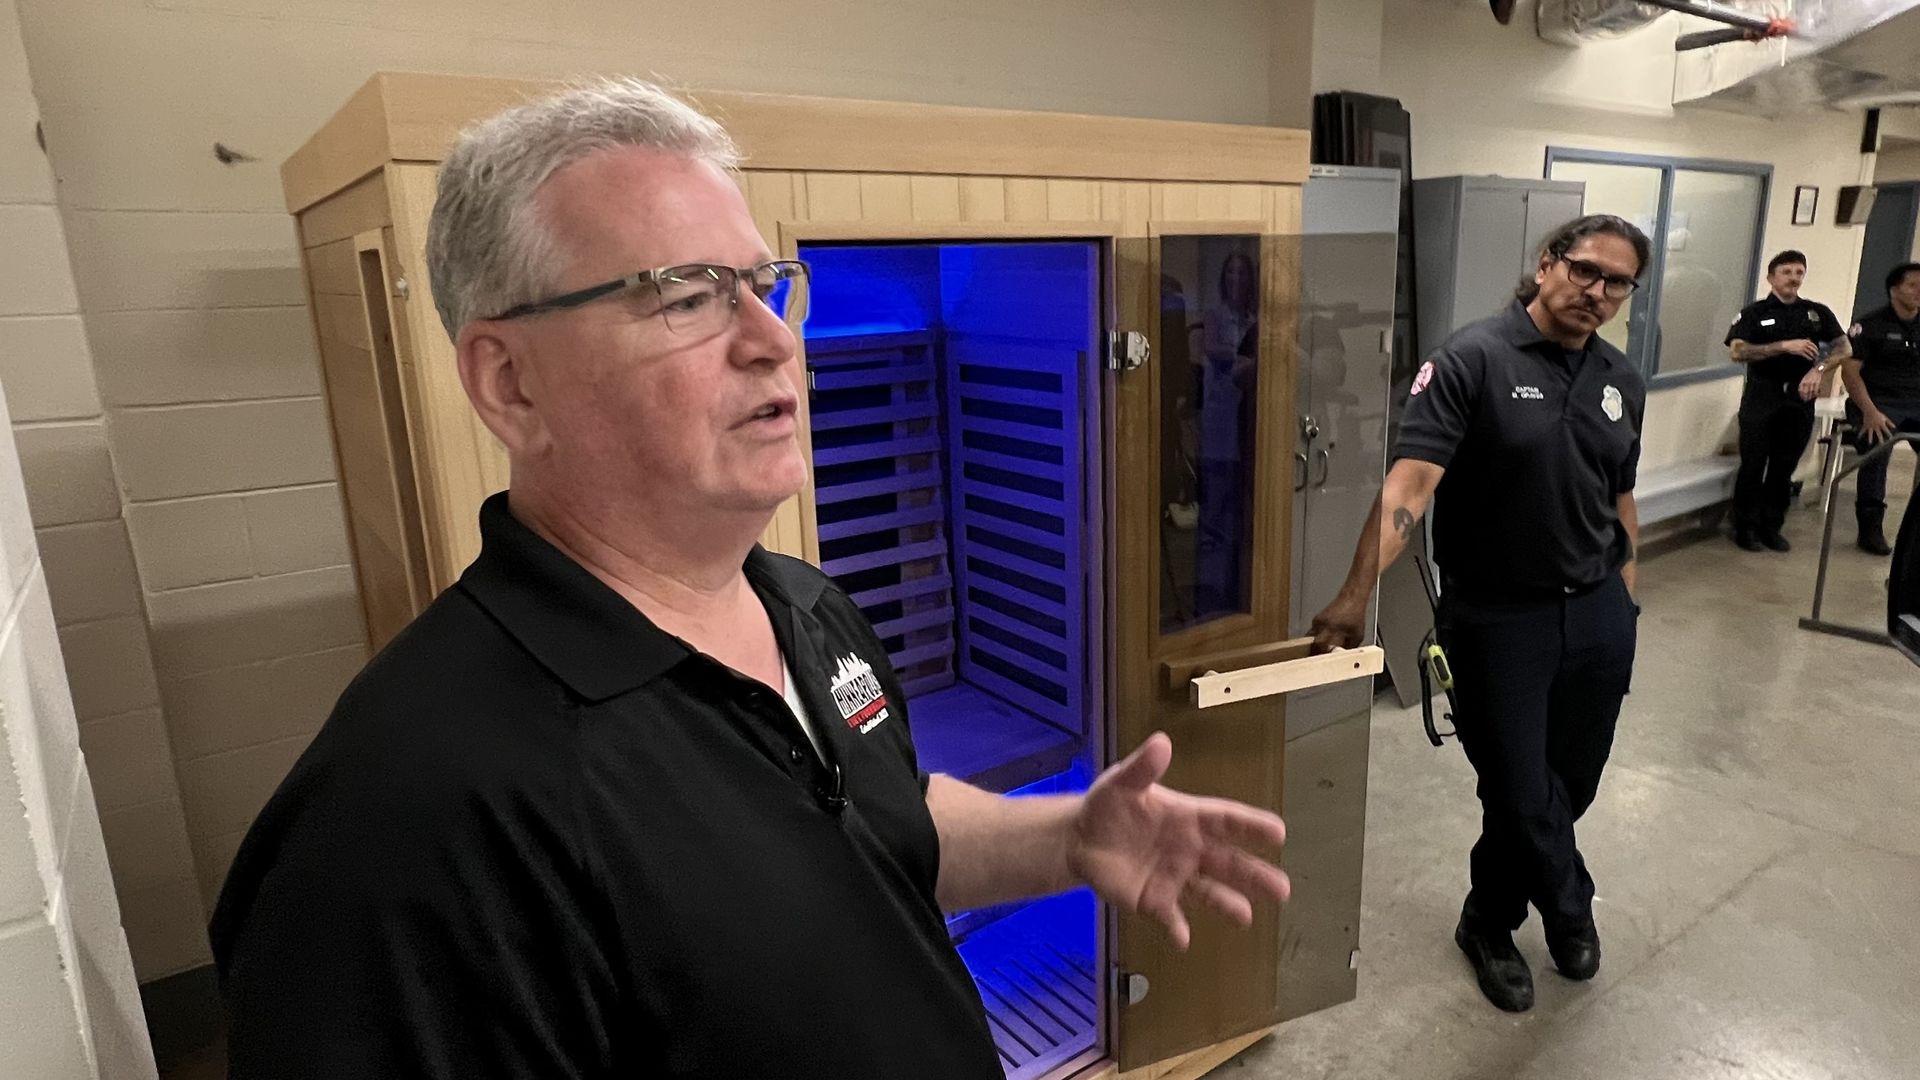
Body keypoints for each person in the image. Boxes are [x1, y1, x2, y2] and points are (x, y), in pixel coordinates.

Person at [209, 79, 1291, 1079]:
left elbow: (867, 826)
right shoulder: (407, 824)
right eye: (686, 294)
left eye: (767, 286)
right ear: (511, 384)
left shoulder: (806, 608)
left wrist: (1067, 838)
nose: (774, 341)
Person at [1310, 214, 1650, 1013]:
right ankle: (1554, 908)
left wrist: (1627, 600)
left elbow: (1620, 497)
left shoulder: (1619, 378)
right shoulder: (1472, 359)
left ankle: (1489, 912)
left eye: (1617, 282)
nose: (1597, 292)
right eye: (1585, 270)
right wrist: (1355, 595)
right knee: (1520, 789)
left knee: (1571, 783)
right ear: (1548, 263)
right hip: (1499, 620)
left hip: (1597, 613)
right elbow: (1410, 487)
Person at [1725, 251, 1851, 552]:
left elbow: (1844, 348)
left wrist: (1818, 370)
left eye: (1798, 272)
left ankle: (1771, 526)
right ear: (1771, 277)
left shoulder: (1815, 313)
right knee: (1754, 464)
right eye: (1786, 272)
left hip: (1799, 397)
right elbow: (1737, 351)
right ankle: (1745, 527)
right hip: (1762, 395)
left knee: (1784, 466)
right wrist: (1782, 346)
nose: (1793, 278)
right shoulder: (1755, 313)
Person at [1839, 261, 1920, 555]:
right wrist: (1870, 412)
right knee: (1877, 444)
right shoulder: (1869, 326)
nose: (1919, 292)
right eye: (1912, 285)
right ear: (1894, 290)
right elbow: (1850, 373)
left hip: (1915, 402)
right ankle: (1870, 527)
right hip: (1877, 403)